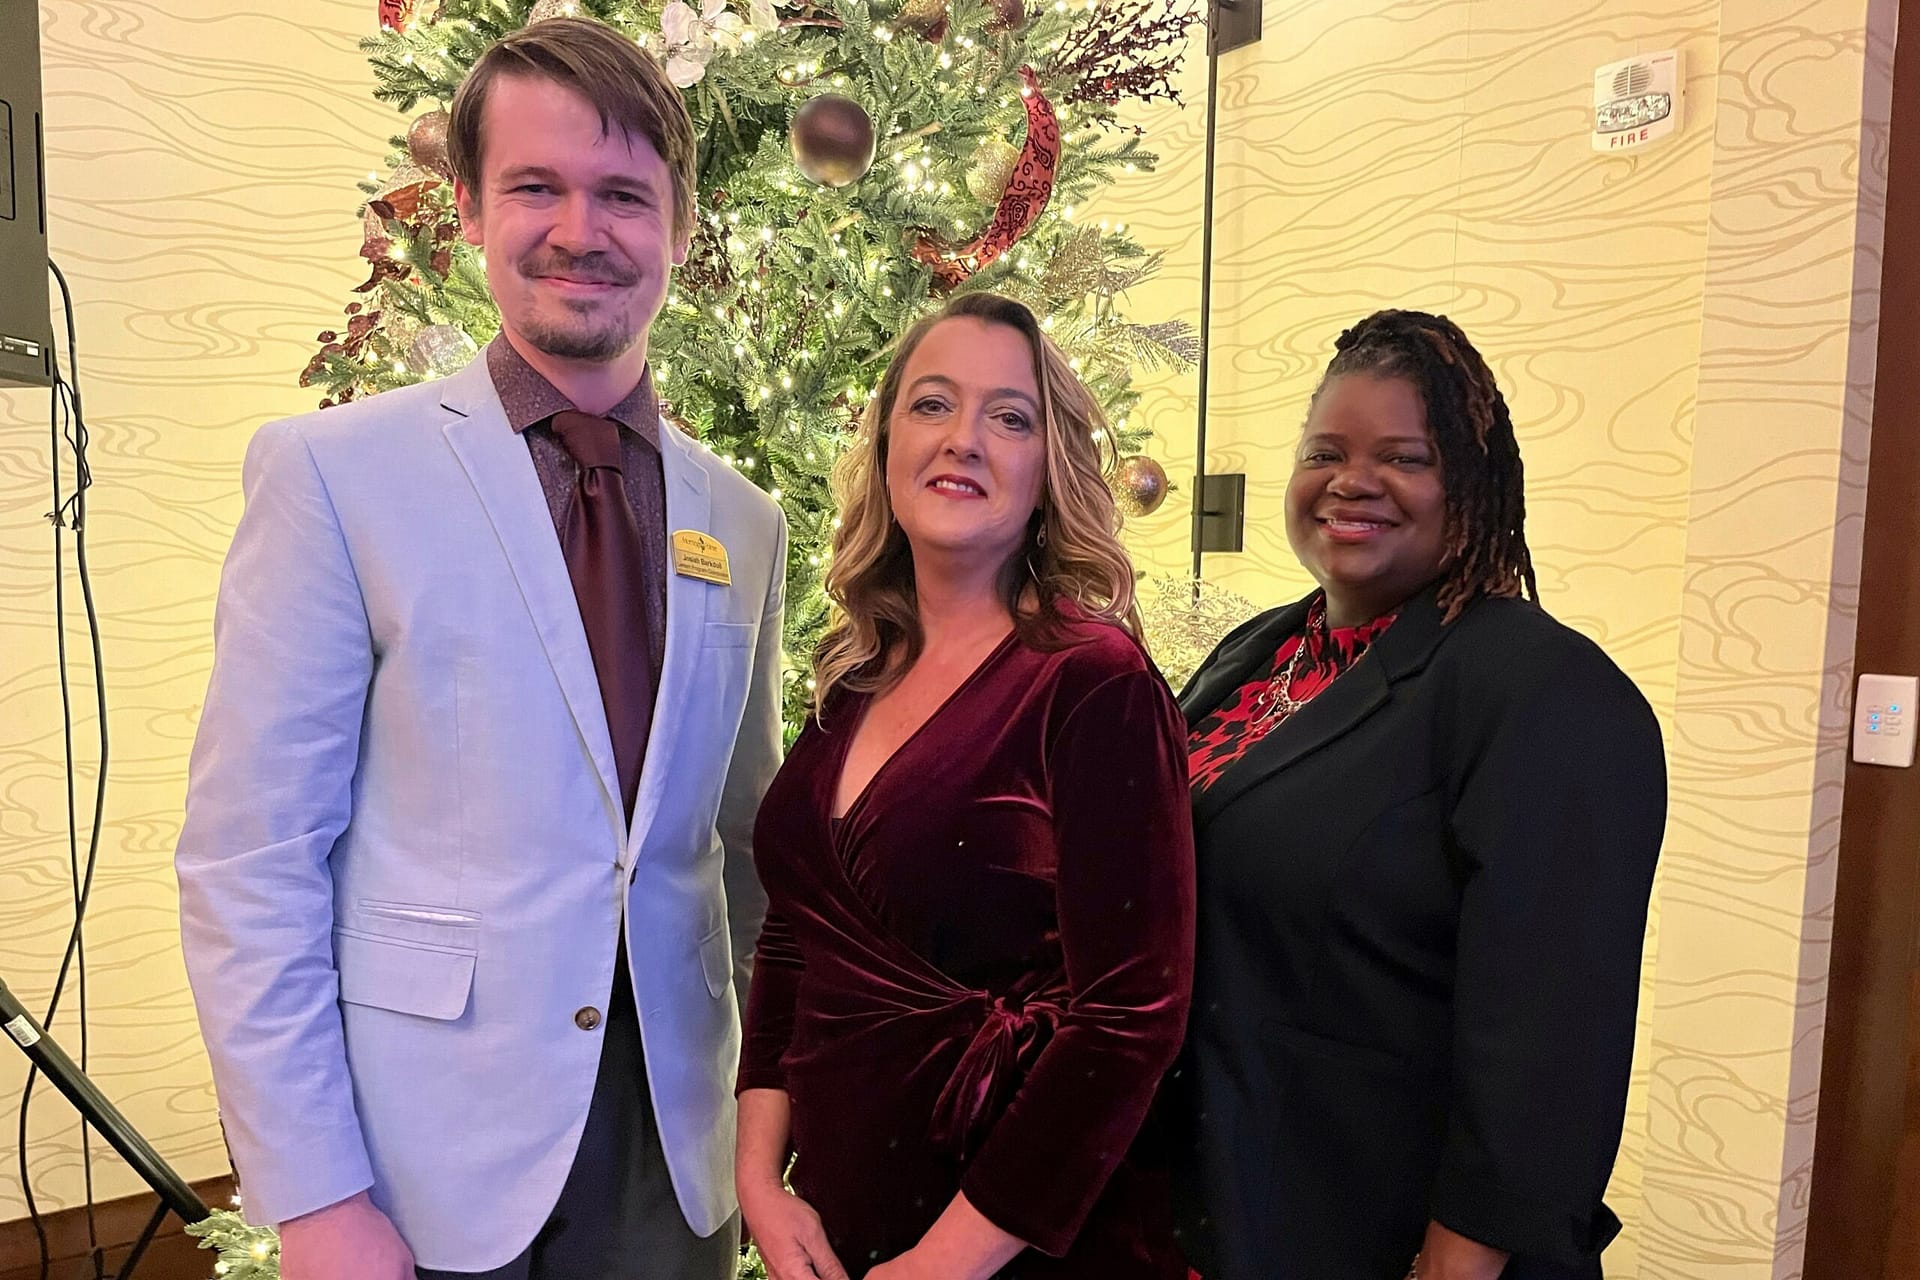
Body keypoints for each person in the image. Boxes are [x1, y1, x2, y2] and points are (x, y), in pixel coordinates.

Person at [175, 18, 785, 1279]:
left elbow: (740, 851)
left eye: (624, 195)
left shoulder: (744, 519)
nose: (580, 229)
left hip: (676, 1156)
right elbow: (252, 859)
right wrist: (315, 1194)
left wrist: (763, 1134)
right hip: (423, 1165)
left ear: (680, 226)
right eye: (535, 186)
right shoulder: (336, 475)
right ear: (467, 207)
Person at [1172, 310, 1665, 1280]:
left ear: (1473, 483)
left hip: (1377, 1230)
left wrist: (1461, 1255)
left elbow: (1553, 1031)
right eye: (1325, 452)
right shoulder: (1259, 650)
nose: (1352, 480)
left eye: (1403, 457)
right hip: (1221, 1198)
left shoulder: (1541, 690)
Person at [733, 293, 1196, 1280]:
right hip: (840, 1233)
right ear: (887, 443)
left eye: (1010, 417)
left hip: (1019, 1247)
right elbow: (795, 938)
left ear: (1048, 468)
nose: (965, 439)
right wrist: (760, 1177)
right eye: (933, 404)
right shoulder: (855, 676)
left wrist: (946, 1262)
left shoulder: (1093, 683)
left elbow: (1132, 1015)